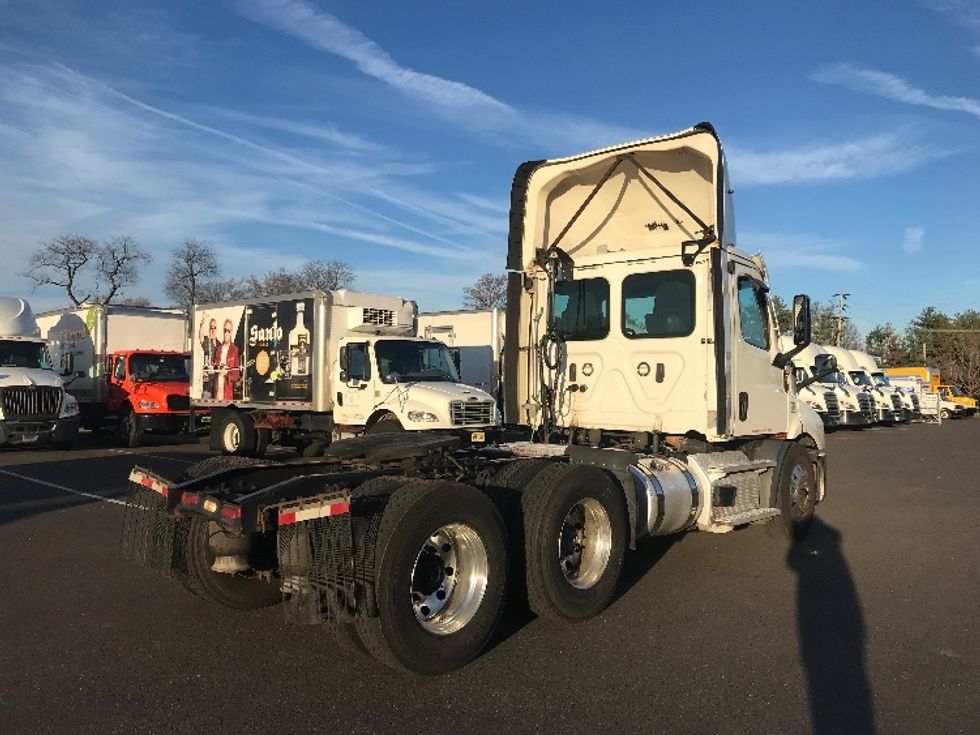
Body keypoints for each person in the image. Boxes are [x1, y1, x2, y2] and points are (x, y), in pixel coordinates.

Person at [214, 318, 241, 400]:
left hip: (227, 390)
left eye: (228, 331)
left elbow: (236, 374)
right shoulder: (218, 349)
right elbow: (214, 366)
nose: (226, 333)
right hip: (217, 388)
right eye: (225, 330)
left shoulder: (234, 350)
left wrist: (227, 374)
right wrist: (216, 368)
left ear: (231, 332)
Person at [198, 316, 219, 398]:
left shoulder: (219, 344)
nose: (212, 330)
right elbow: (200, 336)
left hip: (216, 380)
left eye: (214, 328)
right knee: (206, 399)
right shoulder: (206, 341)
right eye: (211, 327)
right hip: (207, 381)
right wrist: (202, 324)